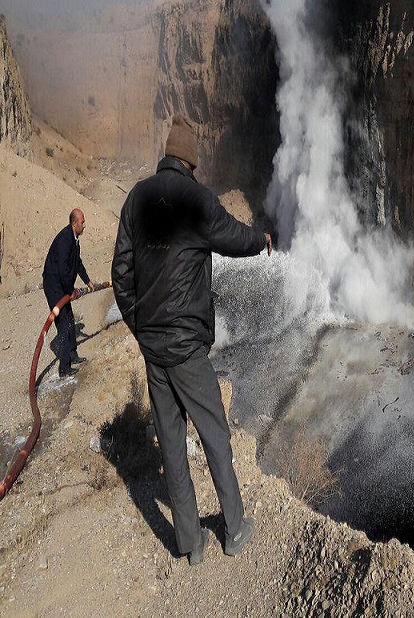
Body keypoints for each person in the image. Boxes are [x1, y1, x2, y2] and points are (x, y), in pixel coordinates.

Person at [111, 115, 272, 566]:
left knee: (172, 442)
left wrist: (139, 326)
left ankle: (191, 544)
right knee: (215, 433)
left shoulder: (137, 198)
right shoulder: (196, 199)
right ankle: (235, 529)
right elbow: (232, 237)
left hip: (154, 346)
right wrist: (261, 240)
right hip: (185, 344)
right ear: (190, 161)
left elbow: (120, 271)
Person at [43, 208, 94, 378]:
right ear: (74, 223)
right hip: (54, 287)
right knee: (64, 325)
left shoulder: (74, 239)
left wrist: (87, 280)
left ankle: (73, 355)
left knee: (70, 320)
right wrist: (70, 291)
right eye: (82, 222)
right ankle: (64, 368)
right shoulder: (65, 240)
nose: (84, 225)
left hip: (62, 285)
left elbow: (76, 262)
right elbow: (63, 270)